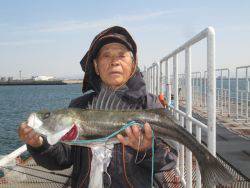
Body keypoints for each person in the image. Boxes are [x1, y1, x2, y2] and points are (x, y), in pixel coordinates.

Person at [18, 26, 178, 188]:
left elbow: (169, 159)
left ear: (133, 64)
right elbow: (63, 158)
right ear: (95, 66)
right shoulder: (79, 106)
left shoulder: (149, 105)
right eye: (106, 55)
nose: (114, 61)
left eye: (121, 55)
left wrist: (146, 150)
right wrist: (39, 145)